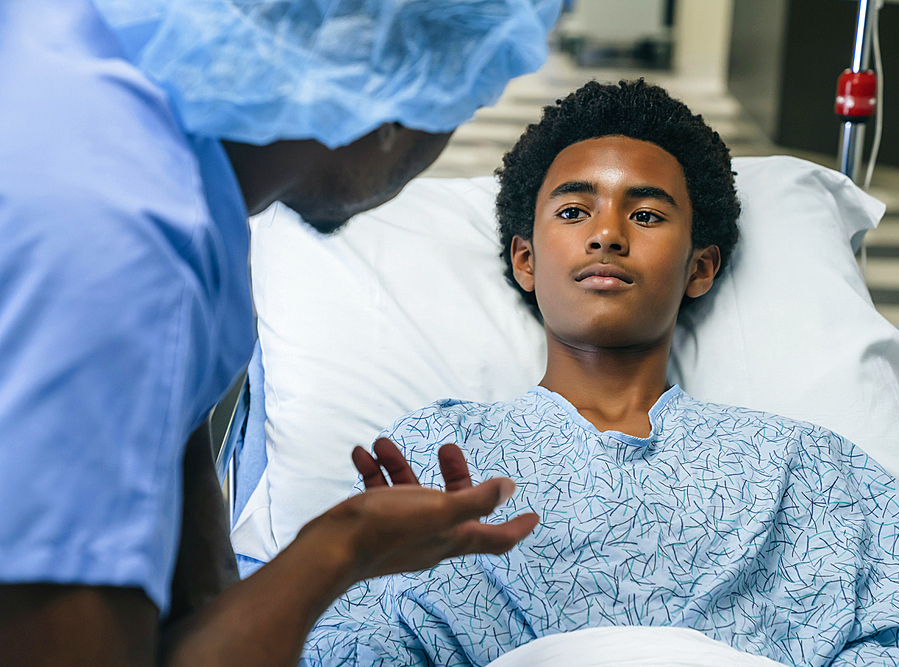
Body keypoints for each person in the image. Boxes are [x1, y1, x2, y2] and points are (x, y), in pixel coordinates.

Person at [301, 80, 899, 666]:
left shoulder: (805, 464)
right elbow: (346, 638)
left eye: (645, 213)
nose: (607, 232)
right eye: (575, 210)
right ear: (524, 260)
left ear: (700, 266)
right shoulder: (434, 453)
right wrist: (353, 554)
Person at [0, 0, 559, 664]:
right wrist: (340, 548)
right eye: (459, 95)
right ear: (389, 97)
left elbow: (185, 570)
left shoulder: (91, 65)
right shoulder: (122, 256)